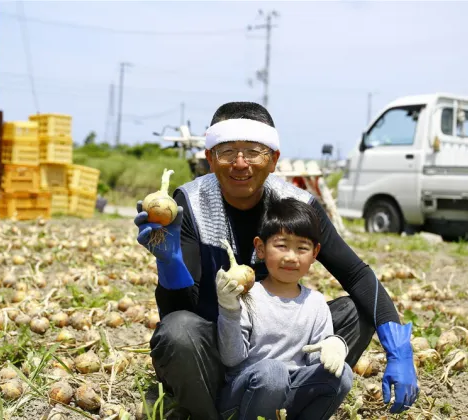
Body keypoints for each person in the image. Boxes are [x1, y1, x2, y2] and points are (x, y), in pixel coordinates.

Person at [134, 101, 419, 419]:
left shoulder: (298, 205)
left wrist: (399, 349)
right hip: (217, 352)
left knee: (356, 312)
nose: (240, 164)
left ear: (274, 160)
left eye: (253, 151)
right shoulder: (189, 202)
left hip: (278, 352)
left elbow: (355, 274)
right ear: (211, 159)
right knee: (178, 332)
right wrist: (170, 263)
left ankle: (294, 401)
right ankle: (210, 412)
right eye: (227, 151)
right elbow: (180, 313)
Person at [216, 195, 353, 420]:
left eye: (302, 248)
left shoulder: (316, 303)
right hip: (242, 398)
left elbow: (315, 365)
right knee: (274, 373)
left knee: (343, 375)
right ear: (260, 248)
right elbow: (231, 359)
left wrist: (335, 345)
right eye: (281, 246)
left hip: (289, 398)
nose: (291, 257)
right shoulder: (247, 296)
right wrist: (229, 309)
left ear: (315, 254)